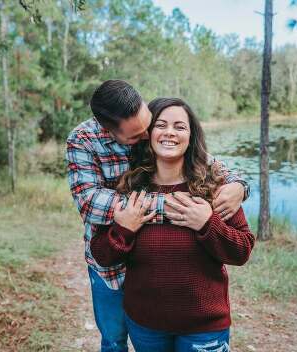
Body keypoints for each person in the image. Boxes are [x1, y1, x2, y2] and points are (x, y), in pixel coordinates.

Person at [66, 80, 249, 352]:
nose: (149, 135)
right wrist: (174, 206)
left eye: (149, 126)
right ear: (110, 132)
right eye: (138, 135)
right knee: (114, 339)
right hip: (114, 271)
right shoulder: (85, 143)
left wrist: (239, 185)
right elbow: (91, 204)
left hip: (202, 324)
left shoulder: (205, 181)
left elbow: (195, 152)